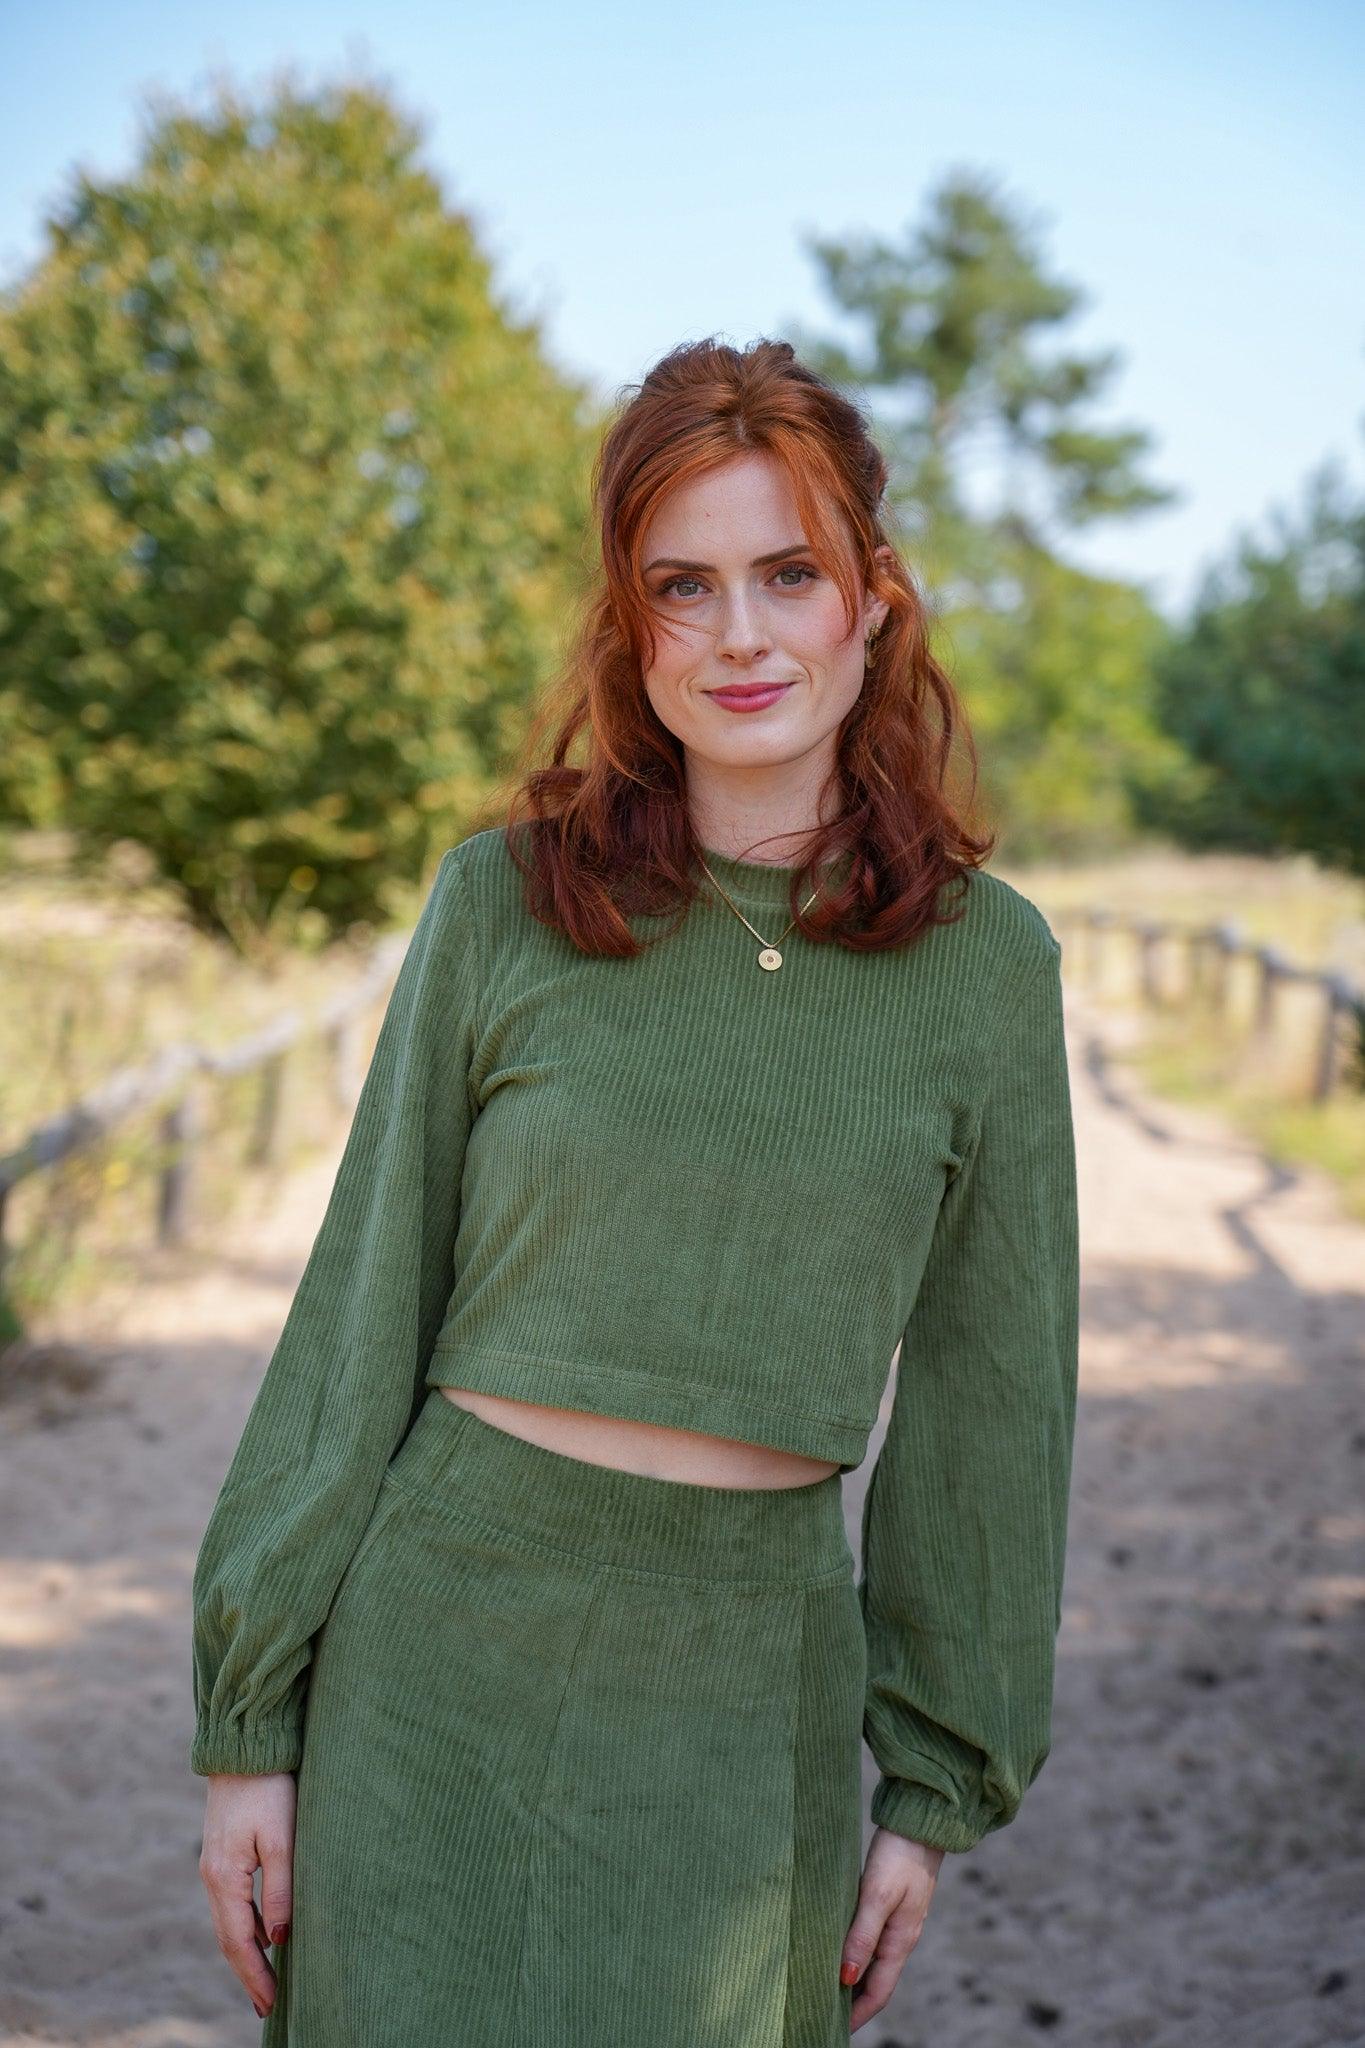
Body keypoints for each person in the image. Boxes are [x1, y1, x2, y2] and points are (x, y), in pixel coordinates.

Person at [191, 334, 1080, 2045]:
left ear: (871, 602)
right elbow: (361, 1307)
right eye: (684, 586)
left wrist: (932, 1788)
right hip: (434, 1656)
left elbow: (994, 1399)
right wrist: (250, 1730)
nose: (739, 635)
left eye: (786, 574)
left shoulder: (986, 971)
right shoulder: (504, 903)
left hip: (747, 1692)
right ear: (631, 626)